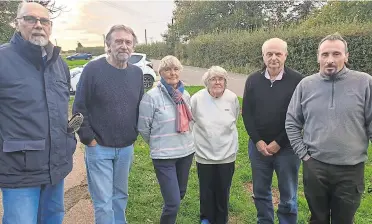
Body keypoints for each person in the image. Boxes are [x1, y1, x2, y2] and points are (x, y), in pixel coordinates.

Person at [0, 2, 77, 224]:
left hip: (55, 168)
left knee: (53, 219)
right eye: (30, 19)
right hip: (19, 171)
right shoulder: (3, 60)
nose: (38, 25)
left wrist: (68, 142)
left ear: (50, 27)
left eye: (44, 21)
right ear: (17, 24)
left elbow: (61, 111)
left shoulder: (59, 64)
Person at [286, 33, 372, 224]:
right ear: (318, 57)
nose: (330, 60)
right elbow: (292, 122)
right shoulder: (306, 85)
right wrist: (305, 156)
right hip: (316, 167)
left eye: (336, 54)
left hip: (350, 170)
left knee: (344, 219)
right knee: (317, 219)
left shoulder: (364, 83)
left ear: (346, 56)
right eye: (325, 54)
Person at [72, 25, 144, 224]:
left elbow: (139, 106)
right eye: (118, 41)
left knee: (120, 197)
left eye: (128, 42)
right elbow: (79, 107)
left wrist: (134, 133)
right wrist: (89, 139)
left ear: (133, 46)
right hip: (99, 148)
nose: (123, 46)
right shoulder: (93, 69)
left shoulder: (137, 73)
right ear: (108, 45)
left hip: (125, 148)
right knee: (103, 201)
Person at [242, 38, 303, 223]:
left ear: (285, 55)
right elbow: (247, 114)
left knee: (288, 195)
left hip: (287, 148)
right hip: (258, 148)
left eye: (278, 53)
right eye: (269, 54)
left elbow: (300, 116)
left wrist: (278, 143)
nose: (274, 58)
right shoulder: (253, 80)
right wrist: (258, 141)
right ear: (263, 56)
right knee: (260, 192)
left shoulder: (298, 80)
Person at [137, 55, 195, 224]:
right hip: (164, 156)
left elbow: (189, 122)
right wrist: (158, 143)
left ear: (180, 71)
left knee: (180, 193)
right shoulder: (151, 97)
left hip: (186, 152)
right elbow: (143, 127)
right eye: (167, 69)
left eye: (176, 69)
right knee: (173, 203)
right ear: (160, 72)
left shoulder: (186, 95)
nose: (172, 73)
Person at [190, 66, 239, 224]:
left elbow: (234, 119)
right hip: (204, 154)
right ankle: (206, 218)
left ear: (225, 81)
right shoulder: (197, 98)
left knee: (223, 190)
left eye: (221, 79)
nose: (217, 82)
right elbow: (192, 122)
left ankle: (221, 219)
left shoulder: (232, 98)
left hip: (227, 153)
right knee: (206, 190)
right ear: (207, 82)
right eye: (213, 79)